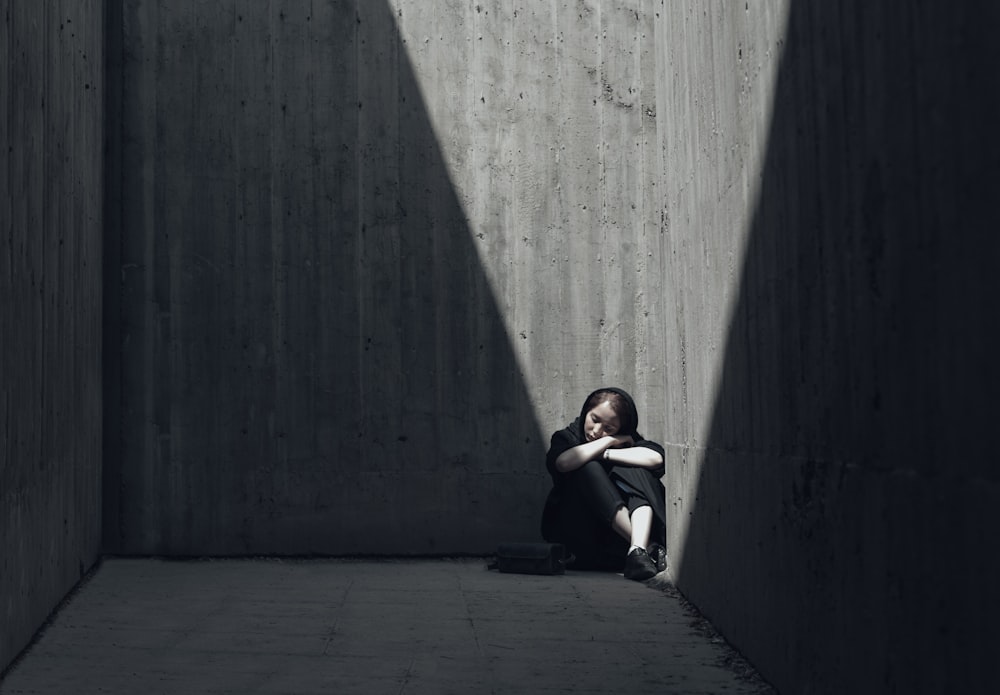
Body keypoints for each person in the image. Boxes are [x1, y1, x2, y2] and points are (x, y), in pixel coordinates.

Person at [540, 387, 667, 581]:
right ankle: (646, 547)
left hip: (617, 548)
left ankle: (637, 550)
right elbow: (563, 463)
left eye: (609, 428)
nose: (597, 431)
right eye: (595, 419)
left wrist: (607, 452)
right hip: (579, 539)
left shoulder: (630, 442)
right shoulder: (566, 438)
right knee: (586, 467)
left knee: (638, 469)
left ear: (621, 429)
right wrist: (608, 441)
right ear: (586, 413)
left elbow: (656, 458)